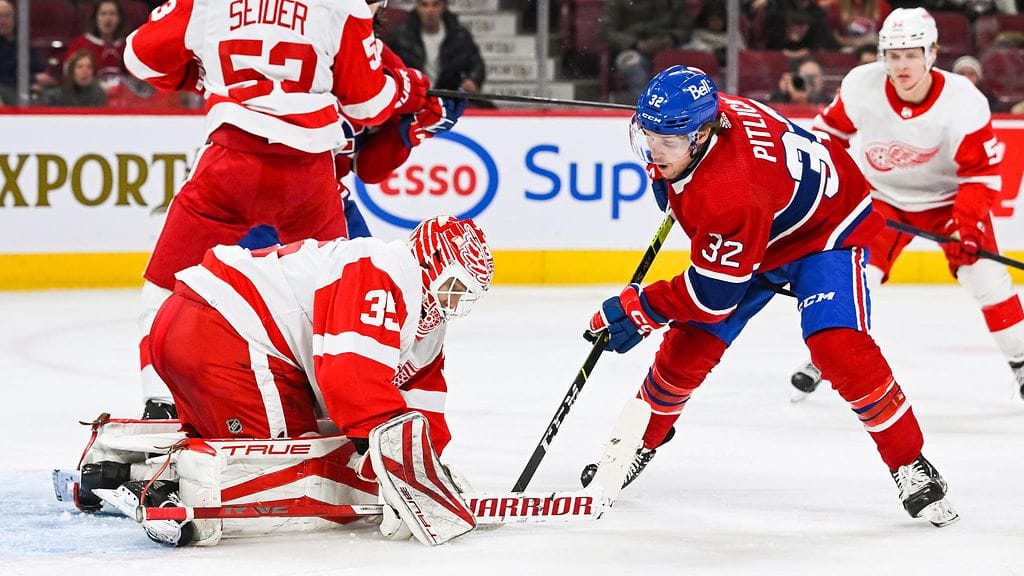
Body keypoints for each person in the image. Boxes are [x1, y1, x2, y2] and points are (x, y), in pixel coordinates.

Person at [581, 65, 958, 527]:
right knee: (689, 345)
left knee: (837, 346)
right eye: (646, 137)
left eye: (668, 144)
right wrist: (668, 176)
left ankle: (909, 461)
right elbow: (713, 249)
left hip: (826, 230)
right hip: (765, 223)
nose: (653, 153)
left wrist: (643, 307)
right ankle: (640, 443)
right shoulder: (712, 124)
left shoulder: (731, 192)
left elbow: (712, 295)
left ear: (701, 137)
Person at [84, 216, 494, 546]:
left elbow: (421, 401)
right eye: (452, 288)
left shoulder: (423, 319)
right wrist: (400, 471)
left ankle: (115, 457)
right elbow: (351, 380)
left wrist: (428, 465)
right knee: (300, 467)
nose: (451, 305)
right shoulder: (386, 269)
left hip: (198, 325)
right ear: (430, 262)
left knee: (261, 442)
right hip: (223, 336)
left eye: (464, 298)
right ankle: (172, 487)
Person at [123, 0, 433, 419]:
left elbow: (140, 58)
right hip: (309, 175)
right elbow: (368, 105)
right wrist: (407, 92)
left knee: (165, 282)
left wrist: (196, 72)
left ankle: (159, 400)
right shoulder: (343, 8)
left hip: (231, 163)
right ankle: (337, 404)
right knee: (334, 292)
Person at [789, 8, 1024, 402]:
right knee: (856, 279)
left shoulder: (963, 100)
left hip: (949, 203)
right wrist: (831, 191)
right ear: (881, 56)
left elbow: (980, 176)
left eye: (911, 54)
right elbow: (827, 140)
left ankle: (1021, 361)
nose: (902, 65)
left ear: (931, 53)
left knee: (987, 278)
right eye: (893, 55)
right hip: (880, 198)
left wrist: (966, 228)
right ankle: (826, 358)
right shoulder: (861, 85)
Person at [384, 0, 486, 98]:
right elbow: (386, 63)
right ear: (417, 7)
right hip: (412, 97)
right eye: (424, 5)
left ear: (443, 7)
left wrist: (473, 80)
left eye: (435, 4)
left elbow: (476, 63)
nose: (430, 11)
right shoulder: (400, 36)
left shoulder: (459, 35)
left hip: (448, 97)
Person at [601, 0, 692, 101]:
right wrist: (635, 43)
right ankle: (646, 101)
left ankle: (687, 101)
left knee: (700, 55)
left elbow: (686, 28)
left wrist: (671, 38)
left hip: (670, 48)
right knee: (630, 62)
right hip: (632, 48)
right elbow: (608, 32)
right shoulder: (617, 2)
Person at [64, 0, 128, 96]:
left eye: (112, 14)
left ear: (119, 18)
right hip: (88, 101)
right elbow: (70, 77)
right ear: (95, 18)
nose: (108, 18)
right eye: (103, 14)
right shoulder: (80, 44)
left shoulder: (127, 45)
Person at [0, 0, 56, 105]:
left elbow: (38, 67)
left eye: (6, 15)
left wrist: (40, 79)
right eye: (0, 16)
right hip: (6, 92)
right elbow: (3, 75)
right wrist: (32, 79)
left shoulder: (22, 43)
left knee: (55, 95)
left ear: (13, 18)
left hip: (27, 91)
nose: (3, 20)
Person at [42, 50, 108, 107]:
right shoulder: (56, 96)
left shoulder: (99, 94)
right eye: (80, 67)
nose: (85, 71)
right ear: (72, 71)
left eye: (89, 67)